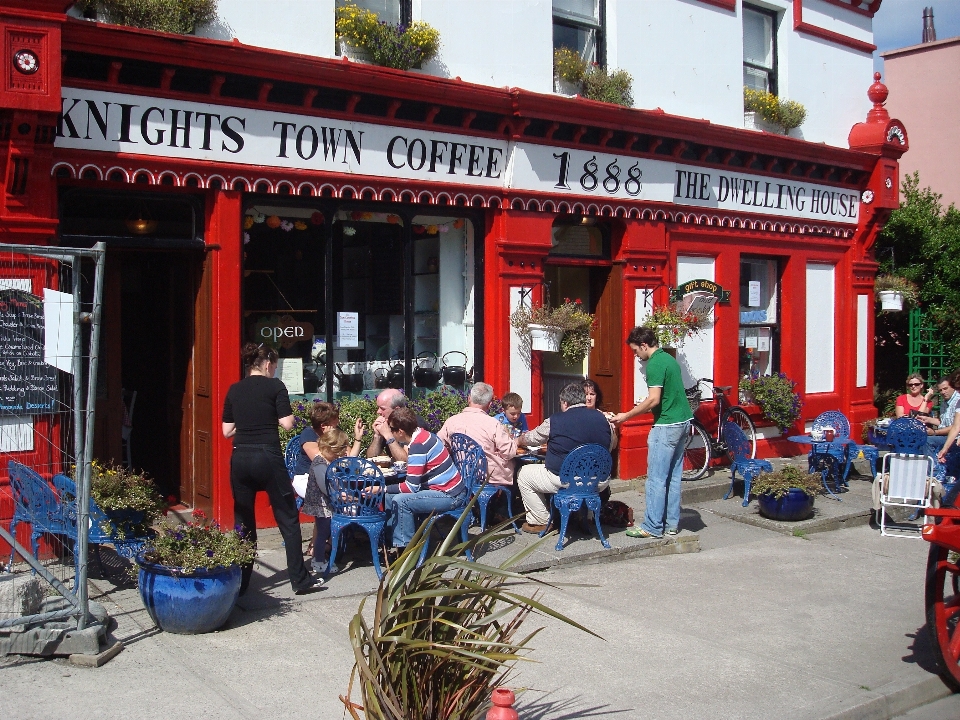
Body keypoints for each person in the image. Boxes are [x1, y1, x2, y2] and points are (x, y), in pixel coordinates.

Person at [221, 343, 323, 596]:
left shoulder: (234, 389)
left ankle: (242, 584)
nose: (274, 372)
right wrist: (271, 418)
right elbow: (288, 424)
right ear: (268, 364)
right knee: (287, 518)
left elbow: (226, 431)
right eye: (274, 368)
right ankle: (300, 580)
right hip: (267, 456)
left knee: (244, 522)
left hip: (241, 457)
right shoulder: (275, 386)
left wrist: (248, 423)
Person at [610, 326, 693, 539]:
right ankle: (671, 524)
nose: (636, 356)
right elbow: (664, 396)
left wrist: (626, 415)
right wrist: (647, 404)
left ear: (644, 345)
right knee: (673, 477)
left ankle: (653, 526)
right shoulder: (669, 359)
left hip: (666, 426)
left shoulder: (654, 364)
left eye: (636, 351)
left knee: (656, 478)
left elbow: (654, 399)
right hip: (683, 421)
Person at [516, 382, 616, 533]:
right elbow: (609, 447)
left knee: (524, 474)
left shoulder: (555, 420)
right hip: (598, 480)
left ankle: (540, 521)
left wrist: (518, 440)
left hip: (565, 479)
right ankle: (586, 517)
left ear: (564, 402)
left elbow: (531, 438)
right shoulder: (604, 420)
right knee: (585, 471)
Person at [368, 407, 466, 551]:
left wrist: (380, 489)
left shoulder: (418, 445)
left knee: (401, 501)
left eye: (391, 429)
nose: (389, 431)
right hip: (446, 489)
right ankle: (391, 542)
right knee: (389, 497)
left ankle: (406, 551)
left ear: (400, 432)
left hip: (450, 495)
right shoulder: (422, 434)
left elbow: (410, 488)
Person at [294, 402, 361, 562]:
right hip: (306, 477)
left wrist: (357, 438)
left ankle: (329, 543)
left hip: (332, 477)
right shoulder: (308, 435)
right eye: (335, 419)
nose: (338, 422)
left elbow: (349, 461)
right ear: (324, 426)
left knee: (341, 496)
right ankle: (321, 545)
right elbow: (323, 460)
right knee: (327, 499)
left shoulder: (336, 434)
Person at [437, 382, 518, 487]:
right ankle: (505, 502)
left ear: (469, 399)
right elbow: (509, 452)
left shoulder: (451, 421)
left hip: (461, 473)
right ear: (489, 405)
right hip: (489, 478)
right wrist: (514, 441)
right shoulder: (493, 424)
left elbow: (439, 445)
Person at [303, 427, 358, 576]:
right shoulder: (320, 463)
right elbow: (325, 488)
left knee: (325, 532)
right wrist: (342, 496)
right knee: (323, 533)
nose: (341, 455)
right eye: (338, 452)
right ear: (329, 449)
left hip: (326, 503)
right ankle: (318, 561)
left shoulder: (326, 461)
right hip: (321, 505)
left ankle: (320, 558)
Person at [364, 388, 428, 462]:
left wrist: (388, 436)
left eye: (382, 409)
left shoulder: (414, 424)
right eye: (378, 407)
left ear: (396, 409)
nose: (378, 412)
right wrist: (377, 436)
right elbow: (370, 459)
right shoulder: (385, 423)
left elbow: (407, 461)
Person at [926, 374, 960, 457]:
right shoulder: (944, 402)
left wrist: (934, 432)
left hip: (955, 438)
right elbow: (944, 422)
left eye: (945, 388)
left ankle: (934, 468)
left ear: (952, 387)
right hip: (947, 436)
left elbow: (955, 427)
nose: (943, 392)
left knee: (927, 441)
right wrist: (927, 419)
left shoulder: (957, 401)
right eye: (940, 390)